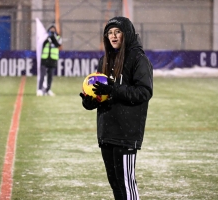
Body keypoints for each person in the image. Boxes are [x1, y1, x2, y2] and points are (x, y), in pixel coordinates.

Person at [79, 16, 153, 200]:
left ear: (126, 34)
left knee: (126, 183)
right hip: (106, 131)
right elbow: (101, 94)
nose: (113, 36)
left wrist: (114, 89)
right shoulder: (104, 60)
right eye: (110, 33)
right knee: (115, 185)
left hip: (126, 133)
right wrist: (90, 102)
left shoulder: (138, 59)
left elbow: (144, 92)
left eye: (117, 32)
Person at [37, 24, 62, 96]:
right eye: (51, 29)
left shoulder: (58, 37)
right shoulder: (45, 37)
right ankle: (39, 89)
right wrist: (47, 39)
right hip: (45, 58)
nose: (52, 31)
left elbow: (58, 45)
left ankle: (48, 90)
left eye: (54, 29)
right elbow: (41, 45)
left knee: (50, 76)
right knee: (42, 74)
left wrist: (52, 38)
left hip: (53, 59)